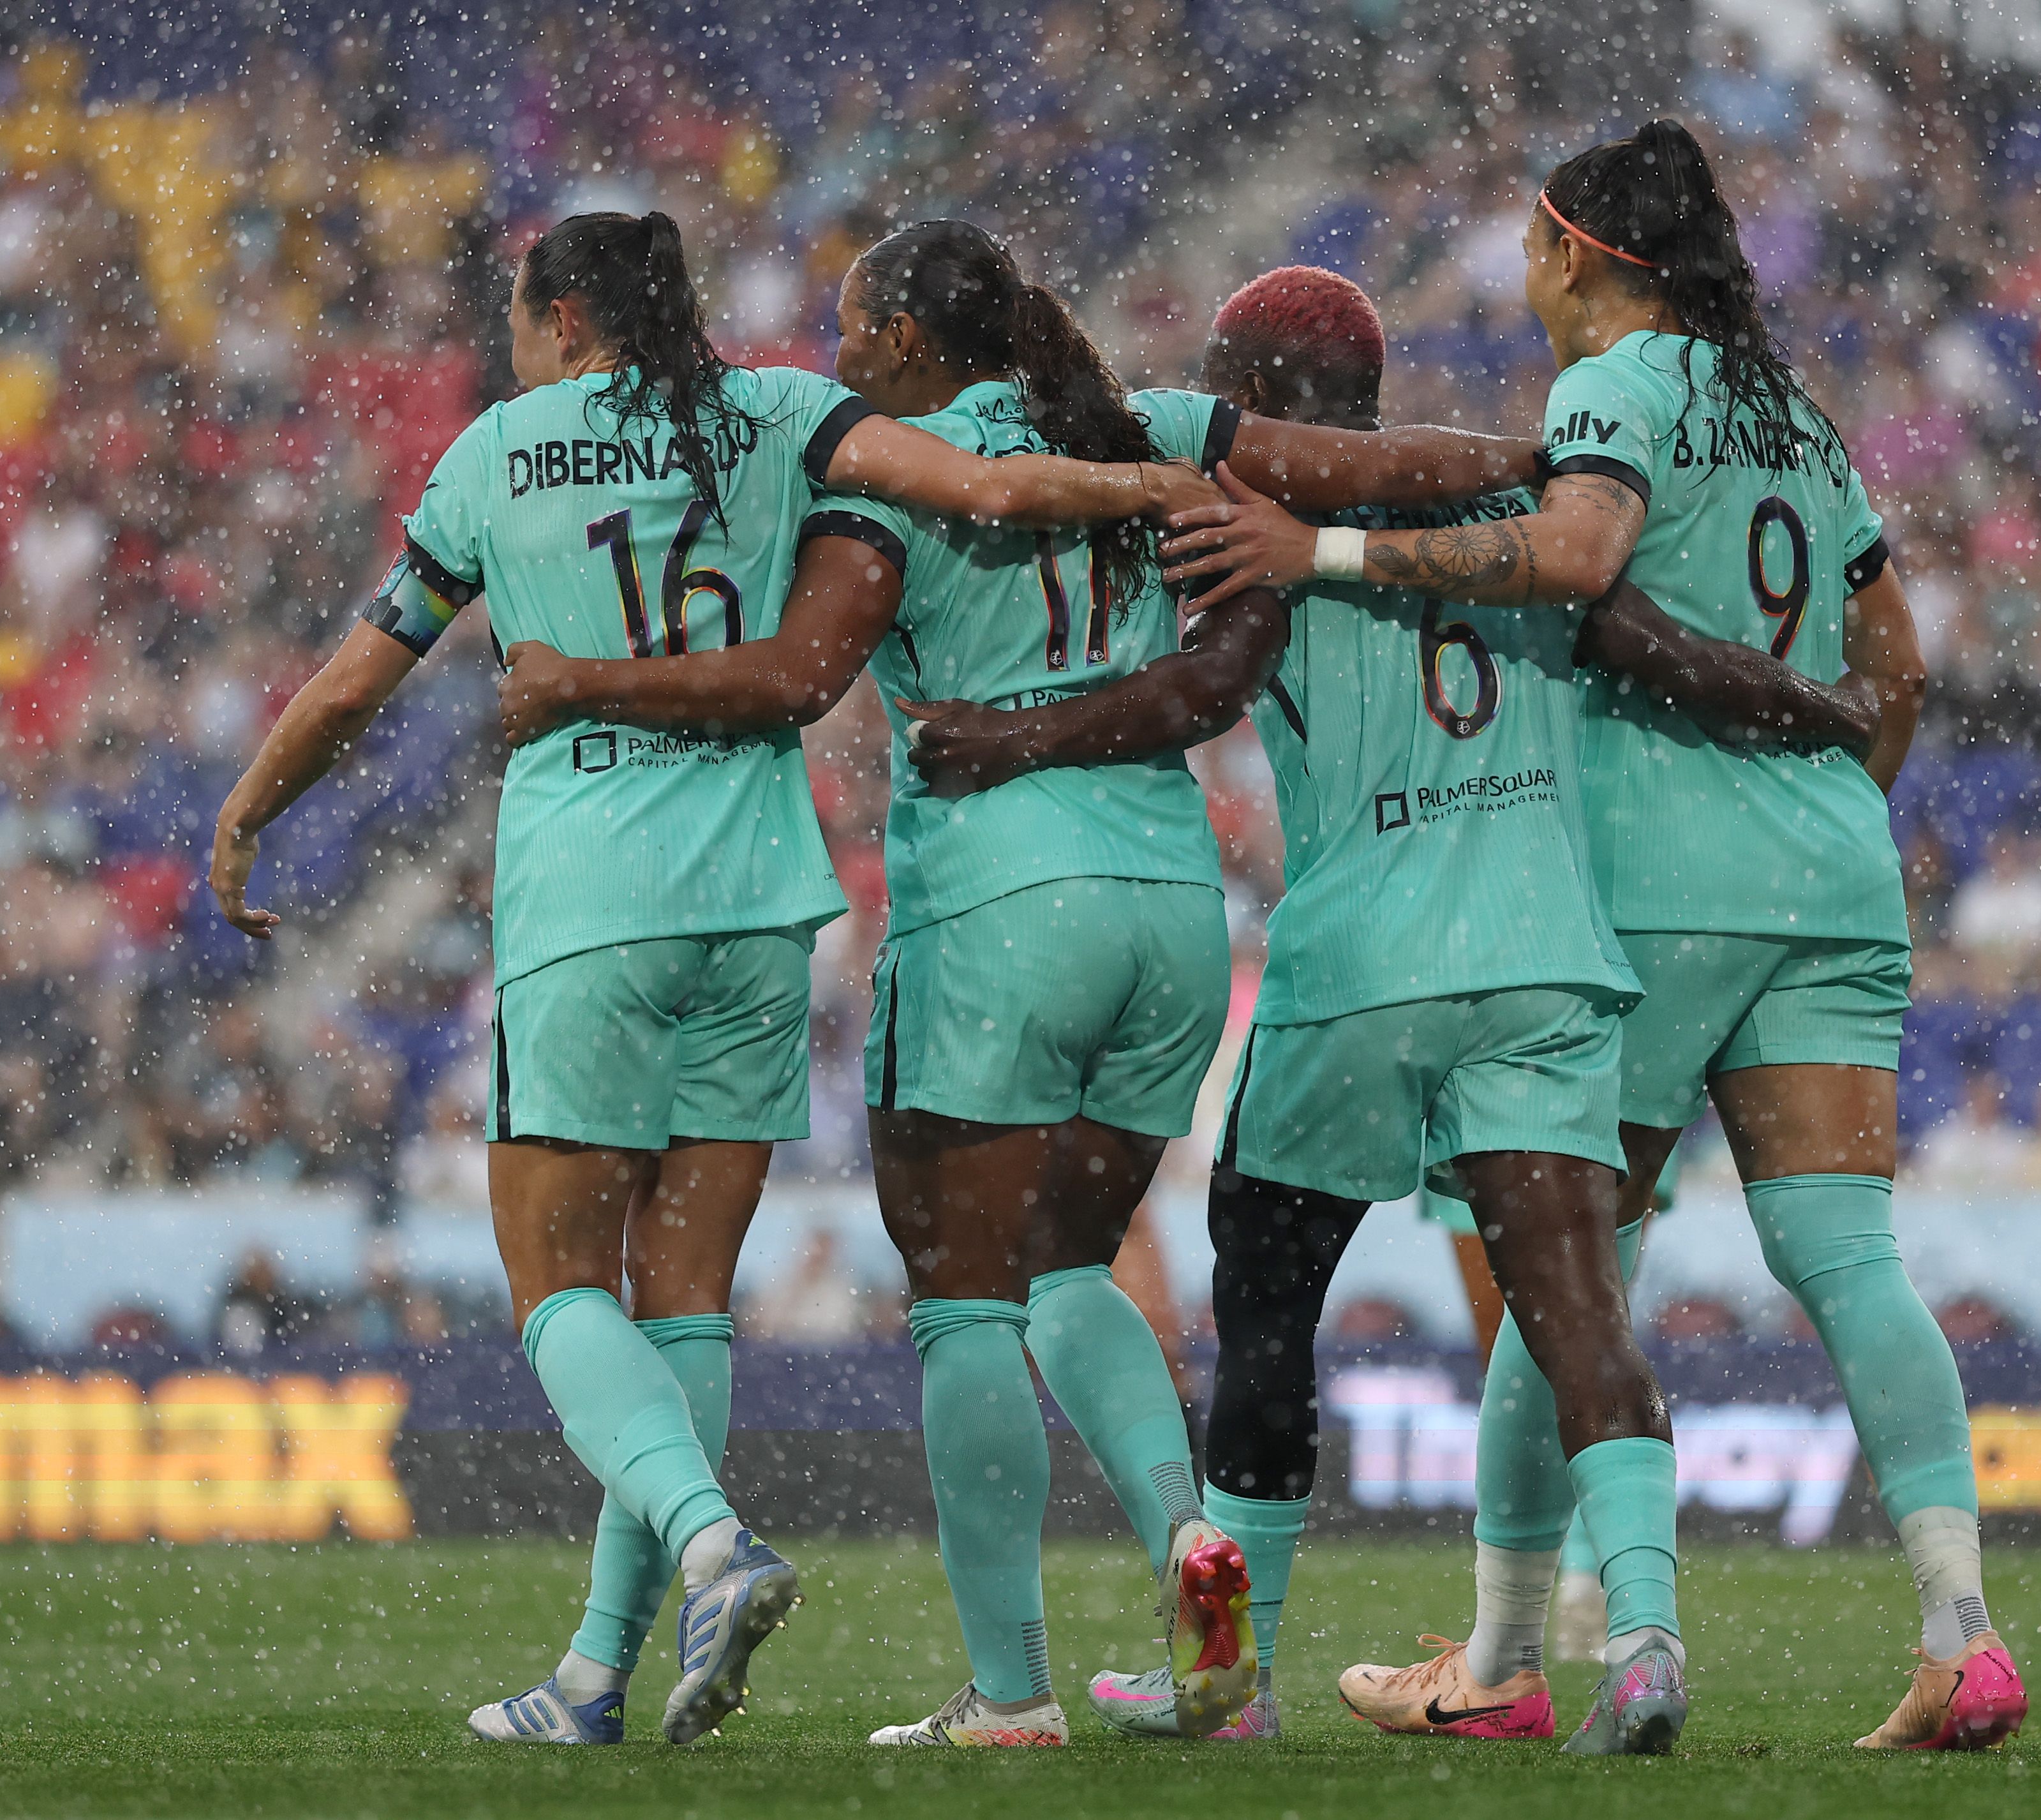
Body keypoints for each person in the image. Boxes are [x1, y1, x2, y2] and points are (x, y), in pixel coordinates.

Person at [492, 223, 1550, 1748]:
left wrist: (586, 683)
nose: (842, 359)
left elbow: (796, 675)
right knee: (1075, 1259)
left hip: (998, 906)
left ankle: (1010, 1694)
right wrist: (1564, 464)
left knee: (966, 1308)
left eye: (859, 331)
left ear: (919, 344)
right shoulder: (1146, 433)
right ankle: (1195, 1548)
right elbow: (1384, 469)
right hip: (1172, 909)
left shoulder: (890, 476)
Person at [208, 209, 1210, 1753]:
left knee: (558, 1288)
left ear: (558, 320)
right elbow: (993, 484)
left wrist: (253, 804)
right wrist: (1151, 479)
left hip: (593, 892)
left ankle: (711, 1543)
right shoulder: (782, 415)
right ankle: (602, 1673)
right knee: (685, 1309)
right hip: (757, 903)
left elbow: (368, 665)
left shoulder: (498, 450)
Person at [903, 265, 1878, 1755]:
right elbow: (1658, 655)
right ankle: (1647, 1644)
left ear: (1267, 402)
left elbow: (1204, 690)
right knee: (1577, 1315)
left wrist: (1020, 732)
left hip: (1358, 963)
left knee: (1273, 1316)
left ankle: (1234, 1678)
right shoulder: (1531, 534)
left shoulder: (1260, 536)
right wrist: (1810, 709)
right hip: (1544, 961)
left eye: (1231, 384)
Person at [1163, 121, 2024, 1752]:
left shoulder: (1610, 393)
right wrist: (1819, 815)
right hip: (1834, 871)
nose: (1531, 285)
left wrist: (1327, 547)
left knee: (1570, 1266)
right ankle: (1962, 1633)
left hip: (1643, 875)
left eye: (1537, 253)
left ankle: (1512, 1654)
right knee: (1847, 1256)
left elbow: (1572, 561)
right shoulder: (1799, 415)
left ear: (1579, 257)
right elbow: (1891, 661)